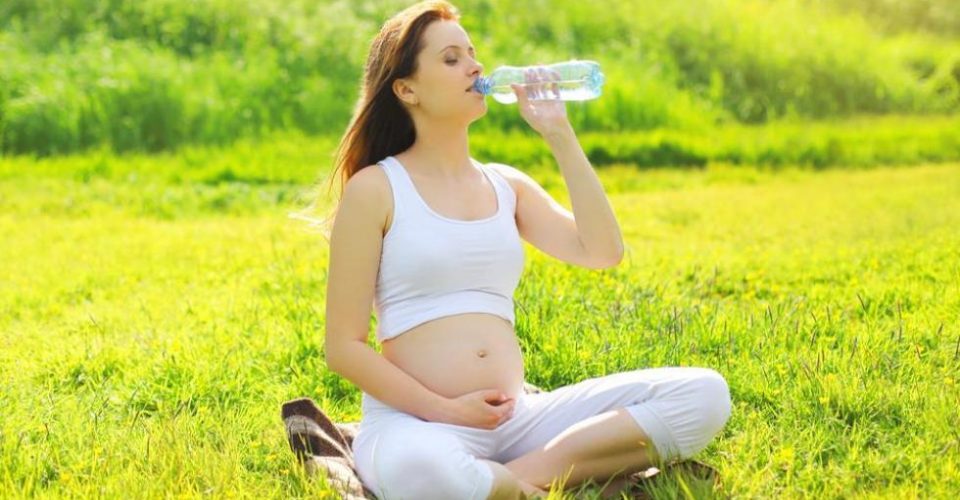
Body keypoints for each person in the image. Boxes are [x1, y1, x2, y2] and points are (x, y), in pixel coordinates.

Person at [317, 2, 732, 499]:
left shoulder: (505, 185)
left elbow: (602, 250)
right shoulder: (376, 189)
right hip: (418, 425)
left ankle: (519, 480)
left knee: (705, 394)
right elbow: (343, 347)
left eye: (473, 54)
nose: (475, 67)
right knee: (425, 471)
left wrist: (558, 131)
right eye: (451, 59)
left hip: (517, 421)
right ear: (406, 89)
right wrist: (446, 411)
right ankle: (519, 482)